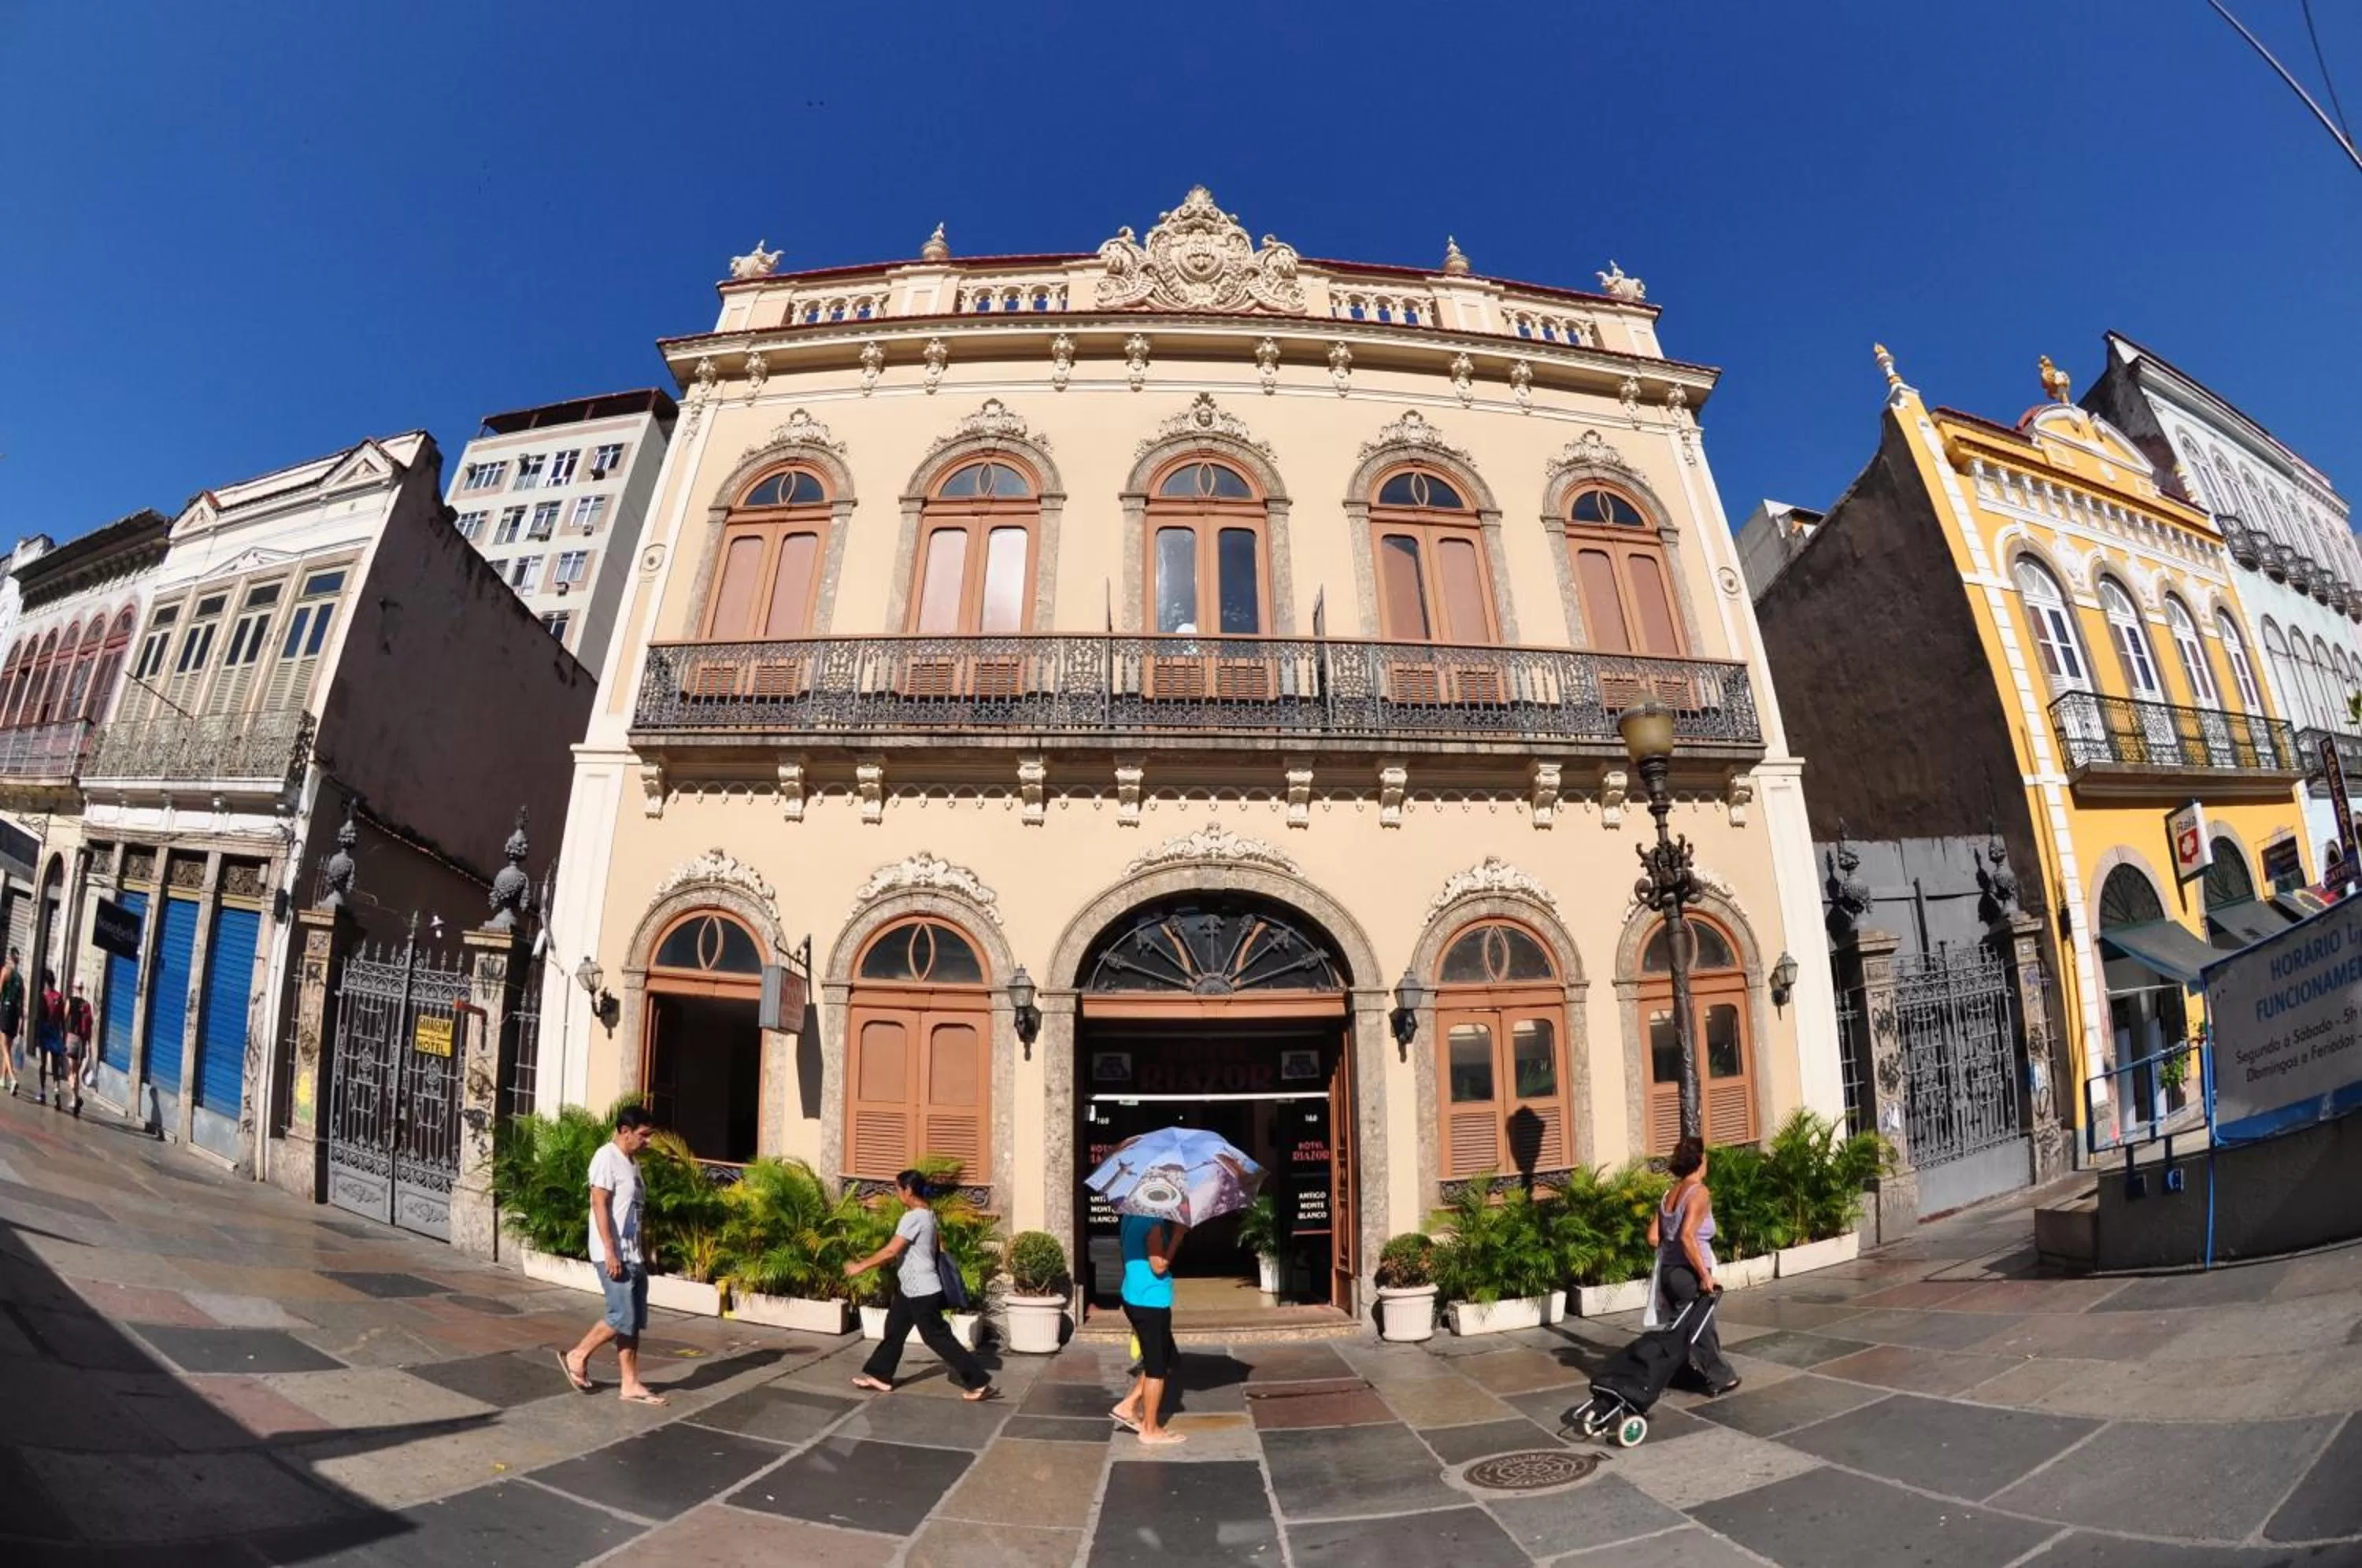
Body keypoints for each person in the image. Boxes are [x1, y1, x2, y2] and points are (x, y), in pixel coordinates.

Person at [844, 1170, 998, 1401]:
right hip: (912, 1288)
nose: (897, 1194)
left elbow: (891, 1250)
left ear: (908, 1191)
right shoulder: (929, 1214)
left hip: (922, 1291)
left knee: (937, 1337)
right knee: (894, 1329)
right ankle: (880, 1376)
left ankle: (978, 1381)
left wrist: (860, 1266)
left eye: (897, 1189)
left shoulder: (913, 1217)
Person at [560, 1105, 669, 1406]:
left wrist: (644, 1252)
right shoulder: (605, 1157)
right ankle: (577, 1355)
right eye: (644, 1135)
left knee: (631, 1321)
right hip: (613, 1253)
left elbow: (633, 1212)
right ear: (625, 1131)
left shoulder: (632, 1163)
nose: (648, 1141)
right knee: (621, 1316)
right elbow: (599, 1204)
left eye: (650, 1135)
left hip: (632, 1254)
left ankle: (630, 1383)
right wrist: (610, 1251)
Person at [1646, 1134, 1741, 1397]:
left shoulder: (1669, 1194)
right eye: (1706, 1156)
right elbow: (1688, 1235)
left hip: (1669, 1272)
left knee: (1683, 1326)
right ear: (1700, 1161)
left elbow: (1653, 1237)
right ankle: (1721, 1376)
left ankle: (1678, 1373)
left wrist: (1672, 1241)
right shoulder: (1698, 1192)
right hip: (1688, 1272)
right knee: (1702, 1326)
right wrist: (1703, 1275)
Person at [1109, 1211, 1188, 1444]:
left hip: (1134, 1294)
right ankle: (1150, 1429)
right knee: (1157, 1369)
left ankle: (1128, 1405)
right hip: (1150, 1300)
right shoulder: (1152, 1223)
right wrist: (1177, 1237)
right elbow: (1159, 1266)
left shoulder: (1129, 1217)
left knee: (1163, 1358)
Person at [34, 970, 66, 1111]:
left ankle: (42, 1092)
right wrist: (63, 1037)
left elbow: (39, 1016)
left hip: (44, 1031)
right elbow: (63, 1020)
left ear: (46, 982)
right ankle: (56, 1090)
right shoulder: (59, 997)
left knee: (42, 1063)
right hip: (55, 1032)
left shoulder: (43, 996)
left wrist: (36, 1034)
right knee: (55, 1066)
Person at [65, 982, 93, 1100]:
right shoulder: (87, 1005)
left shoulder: (70, 1001)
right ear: (83, 988)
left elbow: (64, 1018)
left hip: (71, 1038)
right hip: (82, 1041)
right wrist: (89, 1044)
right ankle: (75, 1098)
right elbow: (90, 1026)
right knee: (76, 1071)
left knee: (70, 1071)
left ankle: (72, 1088)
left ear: (74, 987)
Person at [0, 949, 20, 1098]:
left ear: (9, 958)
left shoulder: (5, 971)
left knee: (4, 1047)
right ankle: (2, 1078)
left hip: (6, 1010)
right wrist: (23, 1023)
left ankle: (13, 1079)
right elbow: (22, 1001)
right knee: (8, 1046)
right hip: (15, 1014)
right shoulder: (20, 979)